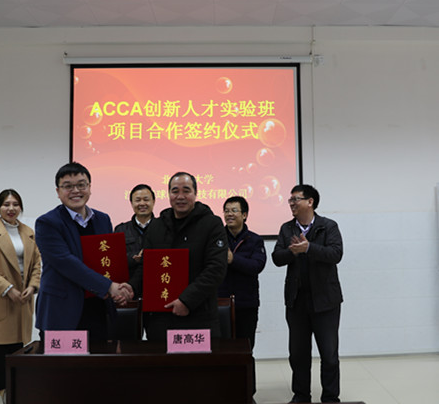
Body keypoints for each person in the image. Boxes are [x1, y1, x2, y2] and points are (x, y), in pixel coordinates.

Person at [34, 162, 133, 342]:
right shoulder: (47, 223)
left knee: (97, 359)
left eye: (81, 185)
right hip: (62, 311)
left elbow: (107, 260)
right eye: (68, 186)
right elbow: (66, 262)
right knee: (63, 361)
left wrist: (118, 289)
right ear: (58, 191)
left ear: (89, 187)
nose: (75, 191)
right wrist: (109, 286)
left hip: (97, 308)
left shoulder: (102, 219)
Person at [129, 172, 227, 341]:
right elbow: (147, 266)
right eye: (175, 191)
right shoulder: (157, 226)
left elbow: (216, 269)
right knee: (160, 359)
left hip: (198, 317)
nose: (180, 196)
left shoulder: (212, 224)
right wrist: (130, 288)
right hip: (161, 319)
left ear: (195, 193)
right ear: (168, 194)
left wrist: (186, 301)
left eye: (186, 191)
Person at [272, 184, 343, 403]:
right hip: (296, 301)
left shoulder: (328, 226)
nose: (291, 203)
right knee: (298, 354)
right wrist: (293, 252)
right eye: (290, 200)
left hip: (326, 301)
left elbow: (336, 254)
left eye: (296, 199)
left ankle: (330, 397)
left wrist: (309, 248)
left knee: (329, 354)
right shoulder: (287, 229)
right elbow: (276, 258)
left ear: (310, 202)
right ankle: (301, 396)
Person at [0, 189, 41, 404]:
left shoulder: (28, 232)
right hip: (1, 299)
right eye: (6, 204)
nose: (11, 208)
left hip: (23, 299)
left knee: (19, 353)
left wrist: (32, 286)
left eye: (15, 204)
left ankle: (17, 395)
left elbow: (37, 264)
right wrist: (8, 289)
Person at [218, 196, 266, 397]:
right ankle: (224, 393)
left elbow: (257, 266)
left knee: (246, 350)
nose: (229, 214)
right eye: (226, 210)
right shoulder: (216, 238)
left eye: (234, 210)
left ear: (245, 215)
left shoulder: (254, 240)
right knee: (221, 350)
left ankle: (247, 394)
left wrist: (233, 259)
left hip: (246, 304)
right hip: (220, 304)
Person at [114, 183, 156, 281]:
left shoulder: (163, 227)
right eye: (138, 200)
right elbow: (115, 259)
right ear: (131, 203)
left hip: (155, 281)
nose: (142, 203)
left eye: (146, 199)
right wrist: (134, 258)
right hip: (129, 284)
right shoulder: (120, 230)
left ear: (153, 201)